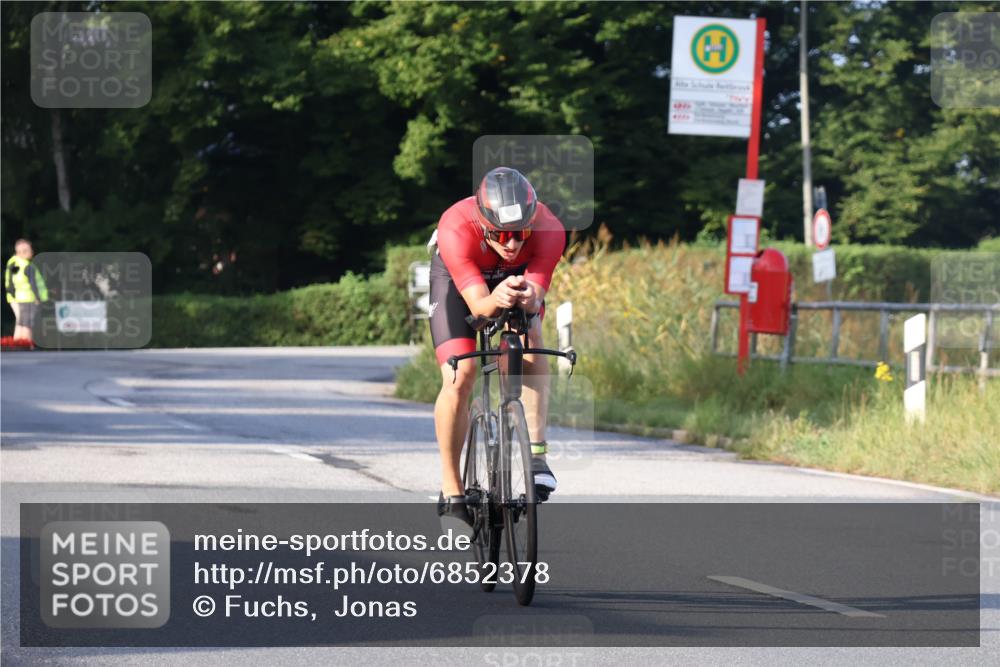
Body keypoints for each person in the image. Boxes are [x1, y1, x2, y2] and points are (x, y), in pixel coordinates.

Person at [428, 167, 566, 528]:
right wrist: (494, 299)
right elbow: (478, 308)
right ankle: (452, 487)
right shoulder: (456, 227)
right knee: (461, 374)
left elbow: (535, 298)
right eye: (501, 234)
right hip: (460, 285)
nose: (512, 243)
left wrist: (524, 300)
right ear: (484, 224)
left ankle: (536, 455)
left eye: (520, 233)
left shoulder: (550, 229)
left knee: (532, 334)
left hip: (514, 279)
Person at [5, 239, 48, 344]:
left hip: (17, 297)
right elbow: (33, 284)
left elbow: (11, 282)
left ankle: (17, 345)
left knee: (20, 322)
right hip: (28, 298)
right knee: (27, 323)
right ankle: (26, 344)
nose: (32, 252)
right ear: (22, 252)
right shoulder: (27, 266)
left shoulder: (13, 263)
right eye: (29, 250)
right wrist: (38, 298)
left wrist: (12, 294)